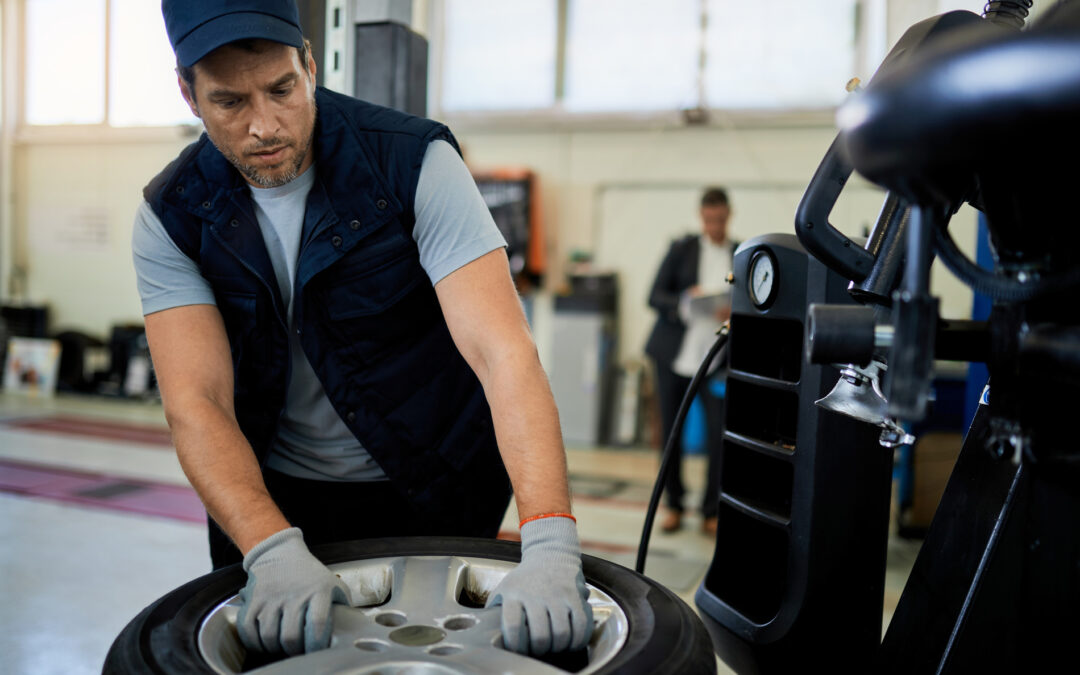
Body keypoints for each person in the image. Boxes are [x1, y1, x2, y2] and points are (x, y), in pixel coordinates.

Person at [132, 0, 590, 659]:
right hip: (277, 501)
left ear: (310, 67)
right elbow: (196, 403)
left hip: (432, 486)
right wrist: (267, 545)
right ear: (188, 93)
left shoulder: (414, 164)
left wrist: (548, 535)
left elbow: (502, 351)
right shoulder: (170, 216)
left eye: (282, 89)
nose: (264, 124)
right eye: (230, 102)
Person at [644, 187, 735, 535]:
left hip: (717, 360)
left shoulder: (739, 253)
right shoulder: (681, 250)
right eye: (709, 218)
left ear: (729, 214)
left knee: (718, 437)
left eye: (720, 218)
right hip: (673, 356)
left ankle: (711, 510)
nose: (715, 224)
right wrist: (686, 300)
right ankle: (675, 505)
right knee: (672, 435)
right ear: (702, 216)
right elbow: (653, 296)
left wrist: (734, 309)